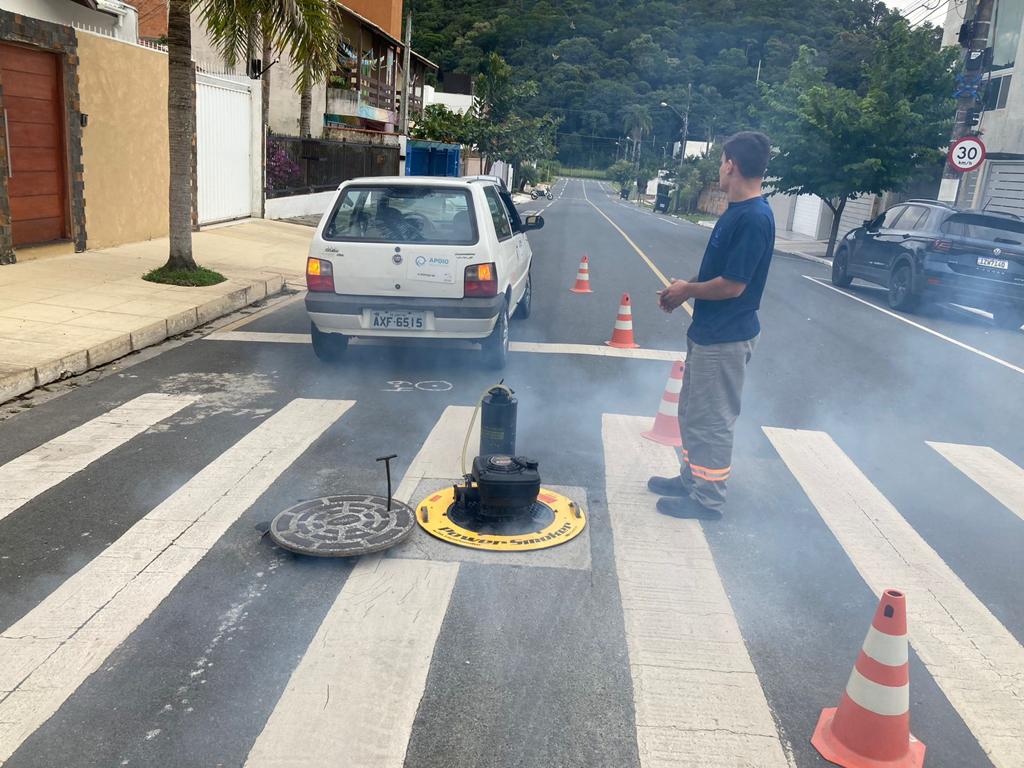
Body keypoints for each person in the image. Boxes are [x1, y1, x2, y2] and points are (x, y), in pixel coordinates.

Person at [650, 131, 775, 520]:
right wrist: (685, 291)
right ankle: (692, 479)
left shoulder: (753, 217)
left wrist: (687, 290)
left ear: (731, 164)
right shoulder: (737, 211)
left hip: (727, 337)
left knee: (713, 420)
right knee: (692, 412)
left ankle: (707, 498)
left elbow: (734, 286)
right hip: (710, 334)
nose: (720, 169)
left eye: (721, 161)